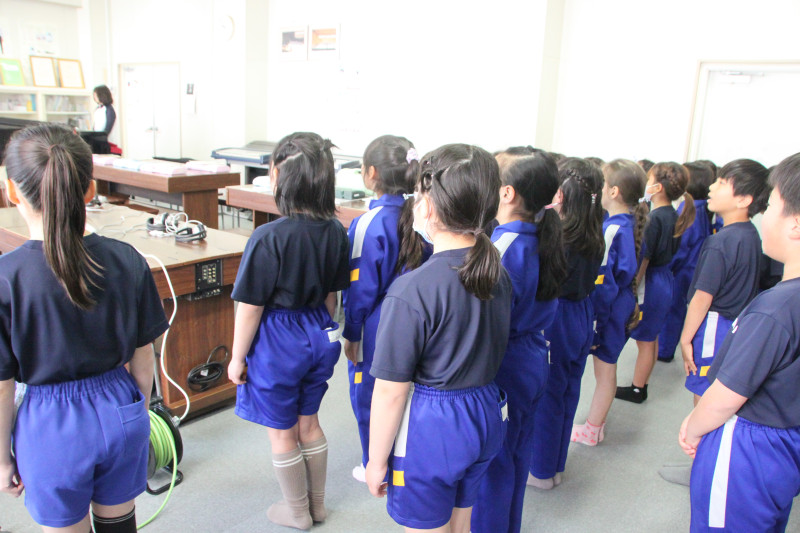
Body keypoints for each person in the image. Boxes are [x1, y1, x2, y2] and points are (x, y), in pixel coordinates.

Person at [0, 124, 168, 532]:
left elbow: (3, 387)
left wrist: (2, 459)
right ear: (90, 190)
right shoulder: (128, 259)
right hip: (121, 406)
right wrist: (137, 410)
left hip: (49, 424)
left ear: (12, 190)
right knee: (119, 523)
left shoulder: (7, 277)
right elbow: (144, 356)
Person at [366, 144, 511, 533]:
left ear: (428, 206)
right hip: (485, 410)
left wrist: (376, 461)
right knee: (460, 524)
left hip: (434, 426)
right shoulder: (497, 273)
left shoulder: (411, 290)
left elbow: (390, 392)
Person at [227, 132, 350, 530]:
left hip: (279, 339)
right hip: (319, 331)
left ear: (278, 177)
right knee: (308, 422)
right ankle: (318, 506)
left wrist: (236, 358)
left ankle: (297, 512)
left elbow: (251, 308)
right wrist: (322, 330)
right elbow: (332, 298)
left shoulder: (268, 237)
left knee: (282, 431)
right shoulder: (336, 230)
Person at [680, 152, 800, 532]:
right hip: (785, 445)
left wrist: (694, 428)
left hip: (746, 450)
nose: (766, 215)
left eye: (773, 206)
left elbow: (725, 396)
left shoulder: (775, 310)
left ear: (796, 224)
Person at [471, 151, 566, 532]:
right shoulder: (540, 236)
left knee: (494, 463)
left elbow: (481, 317)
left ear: (507, 193)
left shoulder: (501, 246)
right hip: (532, 356)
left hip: (504, 362)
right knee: (516, 453)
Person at [342, 134, 426, 483]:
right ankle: (402, 460)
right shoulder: (421, 214)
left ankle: (373, 464)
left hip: (376, 325)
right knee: (405, 392)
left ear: (371, 173)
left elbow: (360, 288)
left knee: (369, 395)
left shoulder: (369, 223)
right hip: (417, 320)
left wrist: (351, 333)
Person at [528, 158, 604, 487]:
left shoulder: (558, 237)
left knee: (548, 396)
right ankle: (555, 464)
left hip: (557, 318)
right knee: (569, 391)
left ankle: (542, 471)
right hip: (582, 314)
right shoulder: (593, 230)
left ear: (559, 194)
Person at [681, 159, 770, 401]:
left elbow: (702, 297)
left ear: (743, 200)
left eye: (721, 183)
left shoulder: (720, 242)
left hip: (715, 323)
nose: (711, 187)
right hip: (735, 324)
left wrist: (685, 339)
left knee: (704, 391)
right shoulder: (750, 234)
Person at [572, 159, 645, 446]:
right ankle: (597, 424)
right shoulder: (628, 222)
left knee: (604, 370)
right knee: (608, 367)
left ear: (613, 191)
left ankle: (592, 429)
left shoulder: (612, 229)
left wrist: (595, 323)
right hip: (621, 300)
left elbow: (603, 282)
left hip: (610, 306)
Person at [616, 162, 695, 403]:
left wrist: (632, 291)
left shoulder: (654, 219)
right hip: (665, 280)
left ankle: (638, 388)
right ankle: (642, 384)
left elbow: (644, 260)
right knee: (651, 336)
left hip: (650, 283)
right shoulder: (673, 214)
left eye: (649, 180)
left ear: (658, 187)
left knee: (645, 340)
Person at [657, 161, 716, 362]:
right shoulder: (701, 207)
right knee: (677, 308)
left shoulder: (688, 209)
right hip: (691, 268)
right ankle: (666, 346)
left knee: (672, 309)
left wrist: (667, 266)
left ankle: (664, 350)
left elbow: (680, 248)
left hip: (681, 270)